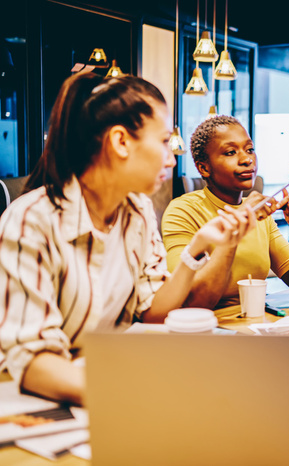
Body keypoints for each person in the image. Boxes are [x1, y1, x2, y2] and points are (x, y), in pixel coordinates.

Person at [0, 72, 252, 405]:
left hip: (108, 377)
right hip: (48, 398)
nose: (171, 157)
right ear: (120, 142)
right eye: (163, 141)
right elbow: (34, 363)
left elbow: (153, 311)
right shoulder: (31, 219)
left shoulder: (138, 210)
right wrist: (134, 392)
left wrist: (197, 249)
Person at [161, 115, 289, 313]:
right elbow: (191, 301)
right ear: (204, 168)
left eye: (250, 149)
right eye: (231, 152)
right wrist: (235, 226)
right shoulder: (182, 211)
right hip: (204, 328)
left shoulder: (260, 215)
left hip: (254, 323)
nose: (247, 159)